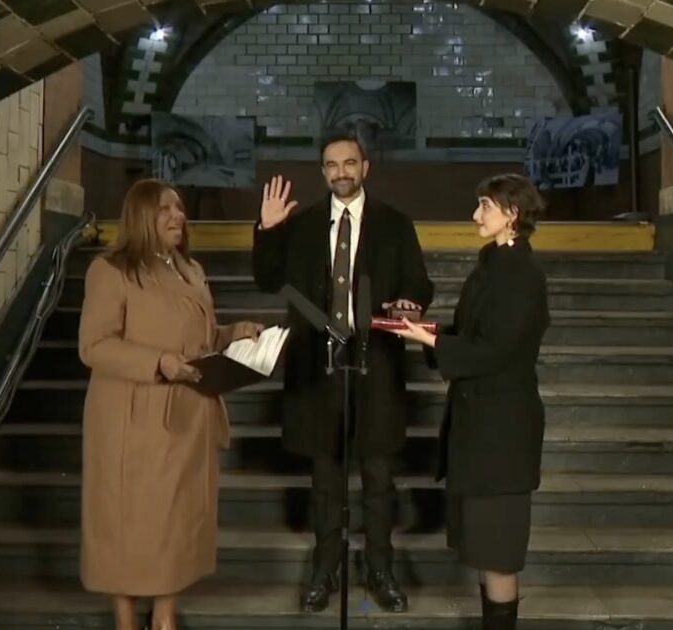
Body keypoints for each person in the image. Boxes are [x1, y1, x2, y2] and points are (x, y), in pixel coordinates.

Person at [251, 133, 434, 613]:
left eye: (349, 162)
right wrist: (268, 229)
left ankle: (380, 570)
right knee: (325, 481)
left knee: (378, 479)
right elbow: (270, 280)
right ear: (323, 172)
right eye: (331, 165)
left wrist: (410, 302)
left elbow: (419, 282)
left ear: (366, 167)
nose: (341, 172)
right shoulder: (305, 223)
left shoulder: (395, 224)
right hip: (318, 369)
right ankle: (324, 571)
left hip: (377, 367)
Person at [78, 179, 266, 630]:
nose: (177, 216)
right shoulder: (111, 271)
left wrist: (232, 333)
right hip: (133, 416)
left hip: (187, 415)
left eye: (179, 208)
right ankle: (125, 618)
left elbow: (198, 338)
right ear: (141, 215)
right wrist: (159, 362)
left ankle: (164, 614)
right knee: (125, 522)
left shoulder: (191, 270)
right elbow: (94, 345)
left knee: (175, 522)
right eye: (165, 209)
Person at [388, 173, 549, 630]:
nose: (476, 214)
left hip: (502, 435)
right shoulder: (494, 265)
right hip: (481, 431)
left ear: (511, 214)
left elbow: (498, 350)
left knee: (498, 555)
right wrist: (423, 328)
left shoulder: (521, 276)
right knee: (484, 549)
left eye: (484, 205)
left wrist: (431, 341)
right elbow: (474, 337)